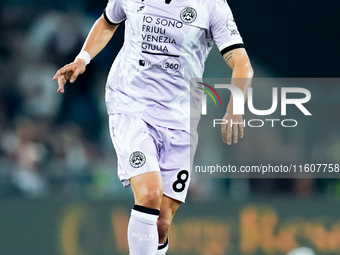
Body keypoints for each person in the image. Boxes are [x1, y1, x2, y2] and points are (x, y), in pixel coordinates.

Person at [53, 0, 253, 254]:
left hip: (180, 117)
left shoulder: (211, 5)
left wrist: (235, 107)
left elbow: (242, 64)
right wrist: (83, 58)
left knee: (162, 220)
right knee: (150, 193)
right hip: (131, 103)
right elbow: (108, 20)